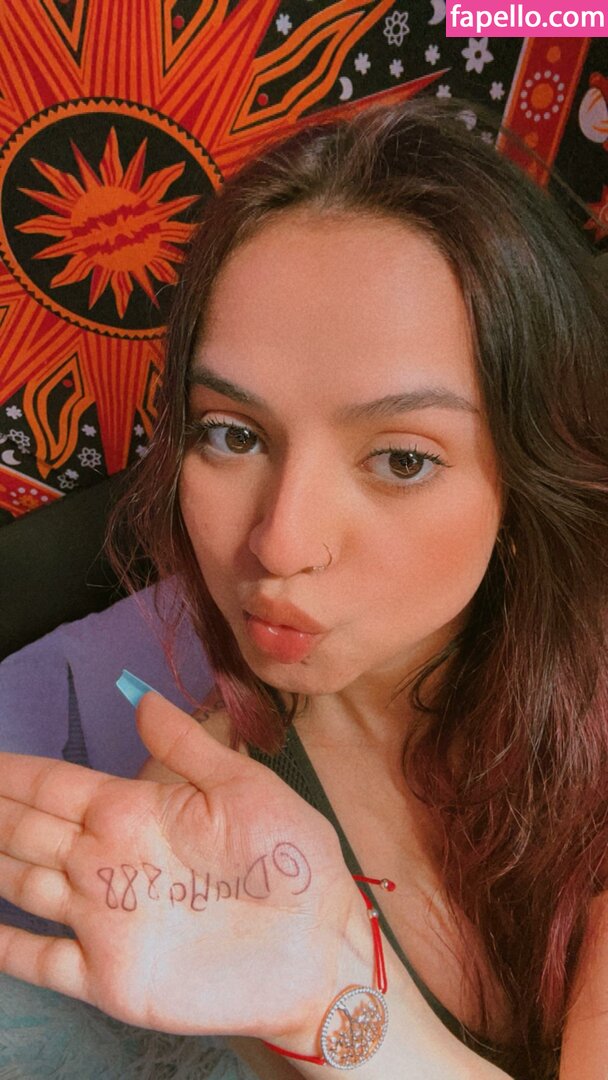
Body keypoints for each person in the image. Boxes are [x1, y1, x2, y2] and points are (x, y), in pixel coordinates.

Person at [0, 98, 606, 1080]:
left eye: (401, 459)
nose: (279, 542)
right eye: (232, 434)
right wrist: (320, 992)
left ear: (527, 474)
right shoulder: (208, 835)